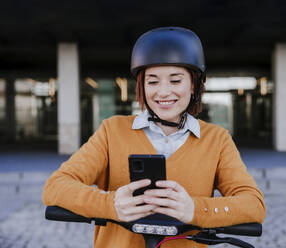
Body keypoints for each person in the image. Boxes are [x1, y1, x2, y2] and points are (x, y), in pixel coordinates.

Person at [42, 27, 266, 248]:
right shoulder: (112, 131)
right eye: (153, 81)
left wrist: (195, 210)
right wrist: (110, 205)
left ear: (194, 86)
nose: (163, 91)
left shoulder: (217, 139)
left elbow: (253, 204)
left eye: (176, 80)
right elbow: (56, 186)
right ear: (142, 86)